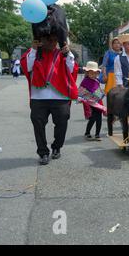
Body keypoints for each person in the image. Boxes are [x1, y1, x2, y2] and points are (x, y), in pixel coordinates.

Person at [21, 35, 78, 166]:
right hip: (38, 97)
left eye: (54, 40)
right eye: (48, 40)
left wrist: (68, 52)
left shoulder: (63, 54)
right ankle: (43, 152)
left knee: (62, 121)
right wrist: (34, 49)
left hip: (60, 97)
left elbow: (71, 69)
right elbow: (27, 68)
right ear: (41, 40)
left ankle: (57, 147)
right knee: (38, 125)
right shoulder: (33, 53)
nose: (51, 42)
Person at [78, 62, 106, 141]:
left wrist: (101, 93)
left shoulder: (97, 80)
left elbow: (98, 90)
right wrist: (84, 98)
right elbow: (81, 92)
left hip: (98, 102)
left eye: (95, 73)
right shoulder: (85, 81)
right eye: (91, 73)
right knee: (92, 118)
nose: (93, 74)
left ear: (97, 73)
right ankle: (87, 132)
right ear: (87, 73)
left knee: (99, 118)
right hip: (90, 103)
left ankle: (97, 134)